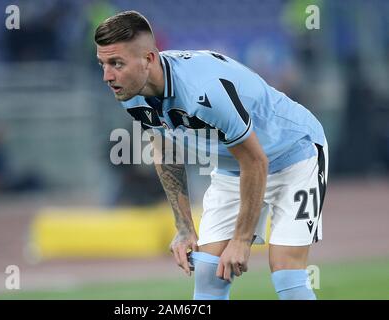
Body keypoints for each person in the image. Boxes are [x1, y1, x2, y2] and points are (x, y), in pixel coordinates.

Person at [94, 11, 328, 300]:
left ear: (148, 59)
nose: (107, 76)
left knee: (286, 274)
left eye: (117, 63)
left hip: (295, 154)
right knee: (209, 278)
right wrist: (183, 227)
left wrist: (242, 240)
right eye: (103, 64)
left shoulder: (203, 91)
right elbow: (166, 151)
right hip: (234, 167)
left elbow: (256, 161)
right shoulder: (131, 92)